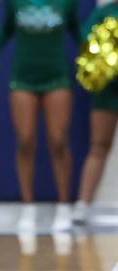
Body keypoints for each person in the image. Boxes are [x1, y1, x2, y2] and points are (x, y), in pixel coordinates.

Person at [0, 0, 79, 232]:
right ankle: (28, 208)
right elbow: (5, 33)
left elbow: (78, 34)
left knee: (59, 142)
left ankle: (64, 206)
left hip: (57, 78)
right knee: (25, 141)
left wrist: (100, 55)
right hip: (23, 79)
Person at [74, 0, 118, 225]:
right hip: (107, 90)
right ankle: (83, 204)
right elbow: (84, 40)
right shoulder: (104, 13)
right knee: (99, 145)